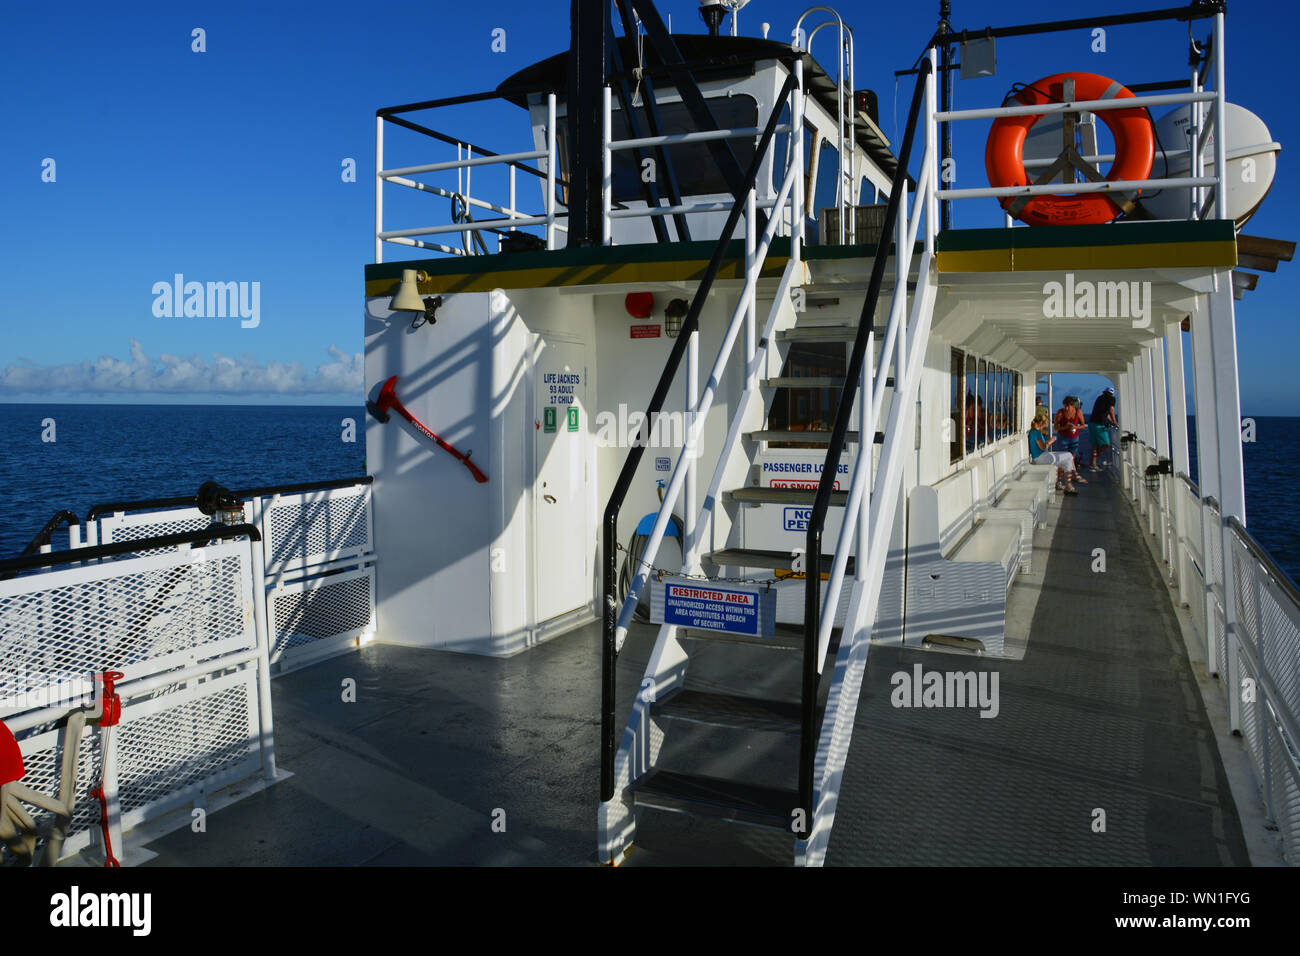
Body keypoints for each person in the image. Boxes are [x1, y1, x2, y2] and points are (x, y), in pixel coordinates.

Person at [1029, 413, 1078, 494]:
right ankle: (1069, 484)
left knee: (1067, 459)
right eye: (1044, 424)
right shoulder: (1036, 432)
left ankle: (1068, 485)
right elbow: (1043, 447)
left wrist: (1048, 442)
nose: (1044, 426)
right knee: (1068, 455)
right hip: (1041, 458)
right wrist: (1051, 441)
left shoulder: (1034, 432)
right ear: (1041, 423)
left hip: (1041, 456)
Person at [1053, 396, 1088, 485]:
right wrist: (1065, 427)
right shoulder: (1060, 413)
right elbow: (1056, 427)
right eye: (1065, 406)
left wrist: (1075, 427)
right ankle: (1066, 478)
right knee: (1063, 458)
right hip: (1063, 438)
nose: (1066, 408)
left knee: (1071, 458)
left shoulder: (1078, 412)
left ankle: (1066, 479)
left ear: (1072, 405)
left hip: (1074, 438)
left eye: (1067, 406)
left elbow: (1083, 425)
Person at [1088, 386, 1118, 470]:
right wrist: (1115, 421)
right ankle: (1095, 459)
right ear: (1111, 393)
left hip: (1091, 423)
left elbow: (1106, 412)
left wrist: (1111, 420)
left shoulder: (1099, 398)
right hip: (1099, 425)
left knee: (1095, 445)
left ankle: (1093, 464)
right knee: (1106, 444)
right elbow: (1111, 409)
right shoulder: (1111, 399)